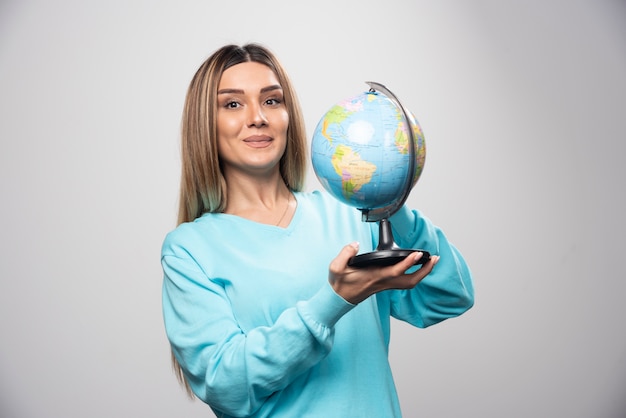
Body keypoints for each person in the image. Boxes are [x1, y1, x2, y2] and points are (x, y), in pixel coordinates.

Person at [161, 43, 474, 418]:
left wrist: (390, 197)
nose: (257, 117)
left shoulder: (352, 213)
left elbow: (450, 296)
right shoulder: (191, 249)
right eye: (232, 104)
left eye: (272, 101)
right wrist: (334, 300)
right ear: (204, 124)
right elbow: (226, 385)